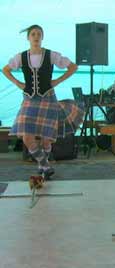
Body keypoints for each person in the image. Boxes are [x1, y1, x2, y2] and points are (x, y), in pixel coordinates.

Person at [2, 24, 84, 178]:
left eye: (39, 34)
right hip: (29, 99)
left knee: (47, 140)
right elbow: (5, 69)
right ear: (28, 37)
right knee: (26, 135)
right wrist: (19, 84)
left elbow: (73, 67)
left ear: (42, 37)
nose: (36, 36)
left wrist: (57, 81)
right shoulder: (21, 57)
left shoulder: (51, 55)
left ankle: (43, 167)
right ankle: (44, 164)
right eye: (33, 34)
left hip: (48, 98)